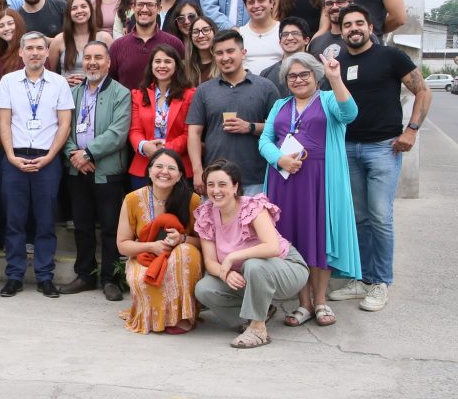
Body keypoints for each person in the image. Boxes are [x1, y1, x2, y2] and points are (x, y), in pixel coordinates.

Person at [327, 4, 431, 312]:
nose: (354, 29)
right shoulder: (338, 63)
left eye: (359, 23)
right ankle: (363, 278)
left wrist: (411, 130)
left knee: (380, 217)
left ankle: (381, 282)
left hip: (383, 148)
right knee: (359, 217)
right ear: (342, 31)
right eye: (348, 25)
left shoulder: (391, 57)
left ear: (370, 27)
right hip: (348, 148)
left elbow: (423, 91)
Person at [259, 53, 361, 327]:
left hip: (320, 181)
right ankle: (303, 303)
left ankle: (321, 301)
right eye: (292, 76)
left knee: (319, 238)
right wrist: (279, 159)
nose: (298, 80)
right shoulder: (280, 105)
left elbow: (350, 113)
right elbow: (265, 140)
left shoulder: (328, 99)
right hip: (284, 181)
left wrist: (335, 78)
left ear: (316, 77)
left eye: (304, 74)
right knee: (292, 240)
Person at [193, 160, 309, 349]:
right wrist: (225, 274)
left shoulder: (252, 206)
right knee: (204, 288)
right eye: (211, 185)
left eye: (222, 184)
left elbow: (272, 248)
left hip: (286, 268)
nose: (216, 190)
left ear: (235, 186)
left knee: (253, 264)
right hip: (247, 276)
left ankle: (258, 329)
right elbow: (210, 261)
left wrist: (232, 257)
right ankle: (254, 316)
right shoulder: (206, 214)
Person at [0, 31, 74, 298]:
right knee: (14, 221)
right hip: (15, 157)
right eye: (29, 48)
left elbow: (65, 124)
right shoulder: (8, 82)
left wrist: (50, 157)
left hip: (47, 159)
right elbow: (4, 122)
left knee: (45, 221)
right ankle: (14, 276)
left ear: (47, 52)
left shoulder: (59, 83)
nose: (35, 53)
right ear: (21, 52)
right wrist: (10, 156)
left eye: (40, 48)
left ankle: (45, 276)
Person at [60, 41, 131, 300]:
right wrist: (74, 154)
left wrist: (88, 153)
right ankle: (85, 275)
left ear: (108, 62)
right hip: (77, 171)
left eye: (98, 57)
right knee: (82, 226)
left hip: (107, 171)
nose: (92, 63)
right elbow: (62, 128)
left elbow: (118, 133)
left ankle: (110, 279)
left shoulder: (121, 93)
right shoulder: (72, 93)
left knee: (111, 227)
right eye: (88, 58)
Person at [117, 149, 203, 334]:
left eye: (171, 168)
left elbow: (204, 243)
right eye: (159, 166)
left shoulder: (192, 200)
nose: (164, 172)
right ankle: (156, 318)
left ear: (180, 175)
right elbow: (123, 245)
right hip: (145, 256)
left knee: (185, 252)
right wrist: (152, 246)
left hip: (180, 258)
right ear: (149, 171)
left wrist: (182, 239)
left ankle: (182, 317)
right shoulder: (132, 199)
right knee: (144, 278)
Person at [187, 30, 280, 196]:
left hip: (256, 179)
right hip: (215, 179)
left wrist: (250, 127)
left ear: (243, 53)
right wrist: (197, 171)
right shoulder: (204, 90)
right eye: (219, 53)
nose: (225, 57)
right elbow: (194, 133)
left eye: (230, 51)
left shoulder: (266, 87)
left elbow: (279, 129)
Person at [129, 44, 196, 188]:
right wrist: (144, 146)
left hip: (179, 166)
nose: (162, 66)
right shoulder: (138, 95)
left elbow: (188, 134)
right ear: (151, 65)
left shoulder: (190, 95)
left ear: (177, 66)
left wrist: (163, 150)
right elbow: (135, 130)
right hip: (144, 166)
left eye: (168, 61)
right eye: (157, 61)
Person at [107, 0, 185, 92]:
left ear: (159, 9)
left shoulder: (174, 44)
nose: (144, 9)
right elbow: (111, 85)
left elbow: (182, 80)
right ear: (133, 7)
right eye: (140, 4)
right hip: (127, 102)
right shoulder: (117, 46)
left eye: (150, 5)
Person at [49, 0, 112, 86]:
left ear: (90, 9)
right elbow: (51, 74)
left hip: (98, 91)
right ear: (68, 13)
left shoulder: (105, 38)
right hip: (68, 91)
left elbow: (112, 70)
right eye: (74, 8)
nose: (79, 11)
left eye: (83, 6)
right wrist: (63, 81)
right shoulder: (59, 40)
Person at [308, 0, 376, 58]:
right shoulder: (316, 43)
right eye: (329, 3)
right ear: (324, 8)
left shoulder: (364, 36)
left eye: (340, 2)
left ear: (351, 5)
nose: (334, 7)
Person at [260, 18, 314, 97]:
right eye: (285, 34)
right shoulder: (266, 74)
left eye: (295, 33)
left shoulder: (317, 70)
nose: (289, 38)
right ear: (280, 42)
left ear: (306, 40)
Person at [238, 0, 282, 74]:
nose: (256, 6)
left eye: (261, 0)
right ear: (246, 6)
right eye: (251, 2)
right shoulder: (239, 34)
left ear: (272, 3)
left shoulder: (283, 31)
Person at [0, 9, 27, 96]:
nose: (6, 28)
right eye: (1, 26)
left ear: (19, 25)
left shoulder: (28, 53)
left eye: (10, 23)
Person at [185, 16, 219, 86]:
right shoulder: (184, 67)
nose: (201, 35)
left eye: (206, 30)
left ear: (214, 32)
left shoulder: (223, 63)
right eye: (195, 32)